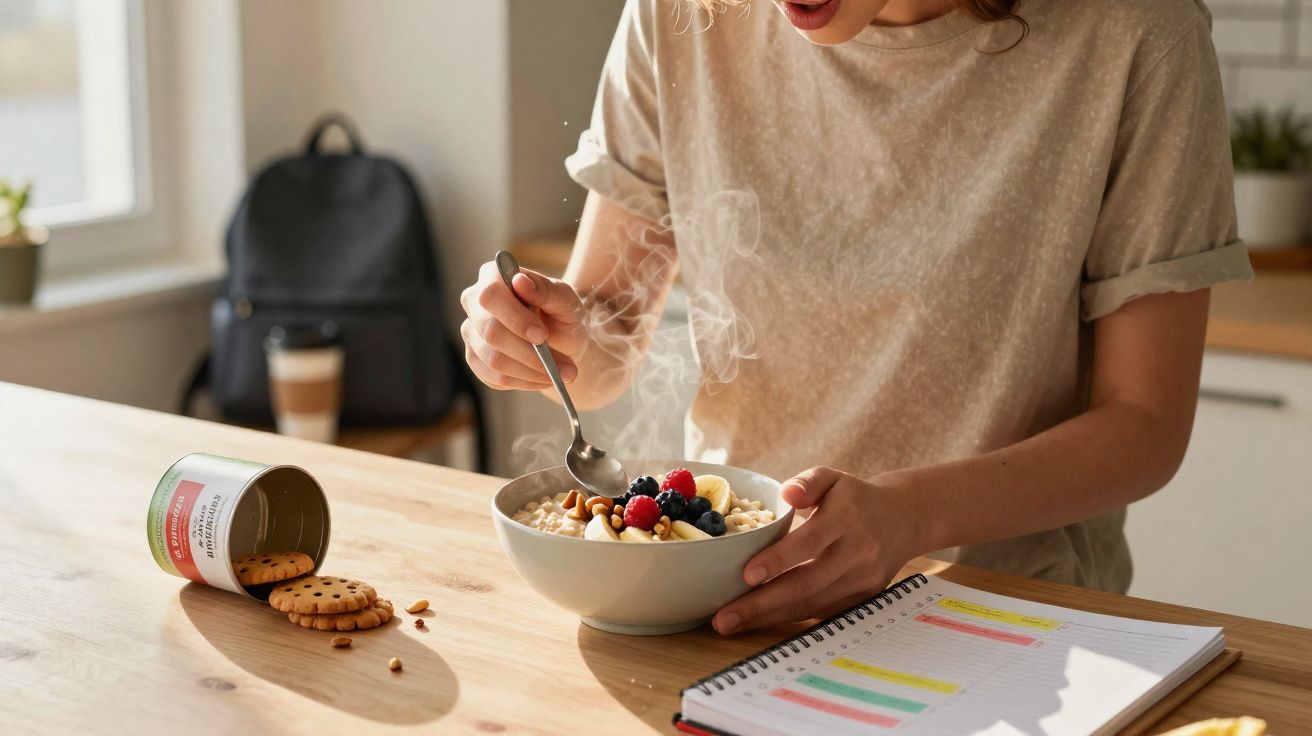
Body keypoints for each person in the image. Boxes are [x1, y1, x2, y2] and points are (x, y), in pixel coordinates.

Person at [459, 0, 1253, 636]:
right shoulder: (683, 14)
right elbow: (608, 332)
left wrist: (912, 514)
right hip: (727, 599)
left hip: (1005, 617)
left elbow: (1144, 424)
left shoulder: (1137, 32)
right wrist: (555, 342)